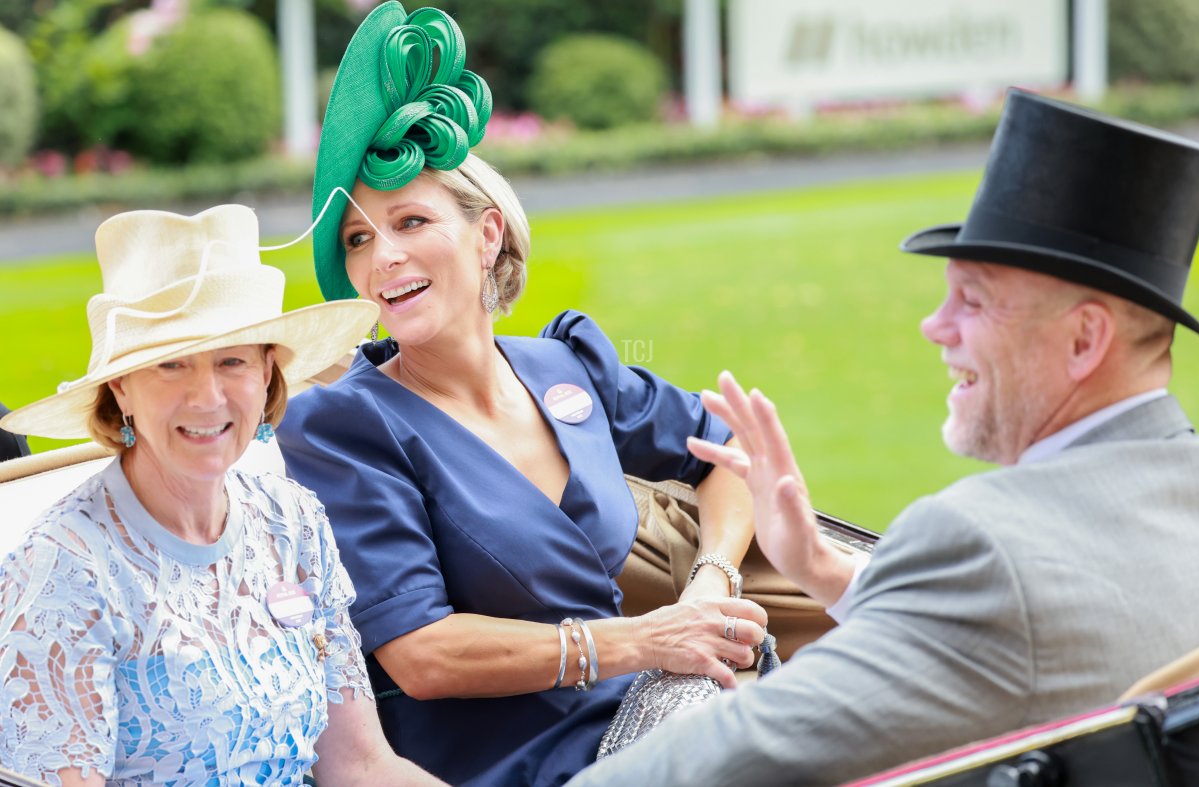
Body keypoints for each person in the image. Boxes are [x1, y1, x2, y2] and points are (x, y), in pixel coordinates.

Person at [568, 89, 1199, 785]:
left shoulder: (984, 543)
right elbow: (1043, 624)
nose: (935, 325)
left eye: (973, 299)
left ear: (1085, 338)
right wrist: (820, 567)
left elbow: (749, 748)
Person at [275, 4, 768, 785]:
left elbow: (727, 452)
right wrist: (646, 640)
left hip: (644, 704)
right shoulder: (342, 423)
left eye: (410, 219)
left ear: (488, 233)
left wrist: (710, 582)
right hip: (506, 760)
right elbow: (422, 653)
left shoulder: (567, 364)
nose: (384, 257)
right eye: (359, 240)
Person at [0, 205, 442, 786]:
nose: (206, 396)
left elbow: (360, 764)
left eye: (231, 361)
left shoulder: (293, 519)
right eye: (171, 365)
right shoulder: (64, 566)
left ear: (266, 376)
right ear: (120, 389)